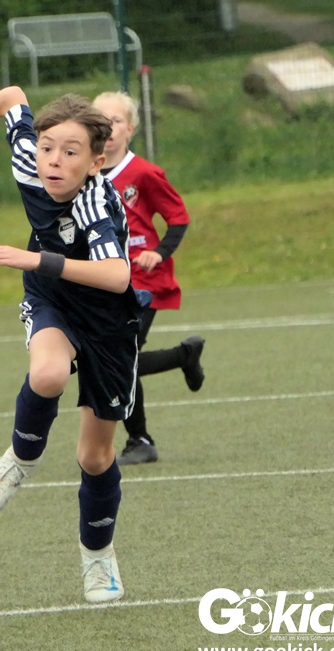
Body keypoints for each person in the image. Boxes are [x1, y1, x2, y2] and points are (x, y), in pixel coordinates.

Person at [0, 87, 143, 603]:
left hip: (108, 323)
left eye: (70, 152)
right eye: (47, 147)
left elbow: (117, 276)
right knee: (48, 373)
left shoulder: (97, 200)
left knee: (94, 457)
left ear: (96, 162)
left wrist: (34, 258)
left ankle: (98, 557)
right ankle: (19, 460)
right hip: (52, 300)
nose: (53, 160)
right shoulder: (31, 161)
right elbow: (12, 97)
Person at [92, 91, 205, 466]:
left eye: (117, 121)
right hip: (106, 282)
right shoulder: (84, 174)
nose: (109, 128)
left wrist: (159, 253)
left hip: (143, 281)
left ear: (131, 128)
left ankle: (140, 439)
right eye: (101, 121)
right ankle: (184, 356)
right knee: (116, 359)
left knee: (120, 356)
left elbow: (178, 217)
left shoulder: (143, 173)